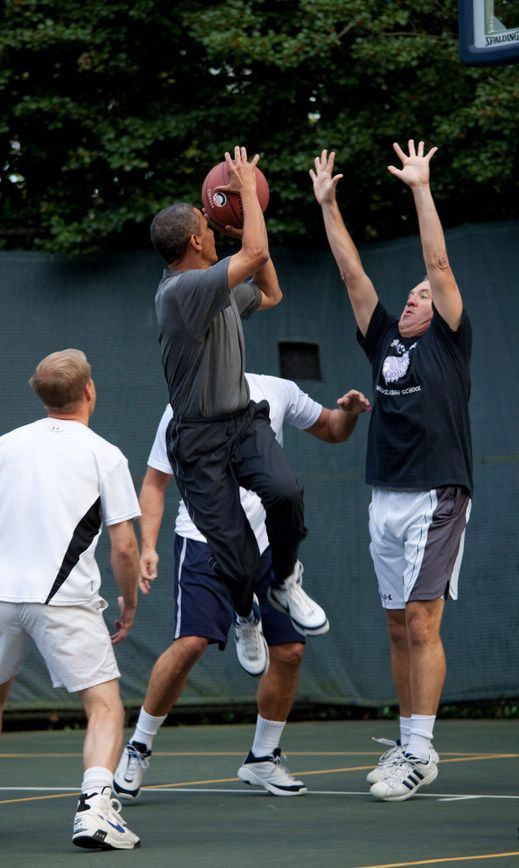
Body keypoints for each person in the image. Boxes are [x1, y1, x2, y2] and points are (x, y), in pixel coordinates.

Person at [112, 373, 370, 799]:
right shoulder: (183, 405)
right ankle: (139, 745)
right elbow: (156, 483)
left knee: (289, 651)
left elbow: (330, 429)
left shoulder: (278, 390)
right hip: (203, 541)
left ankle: (263, 759)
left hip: (266, 542)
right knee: (191, 643)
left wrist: (349, 413)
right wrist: (149, 547)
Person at [310, 141, 472, 801]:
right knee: (394, 623)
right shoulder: (385, 340)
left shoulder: (449, 341)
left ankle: (420, 751)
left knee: (420, 620)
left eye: (421, 294)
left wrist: (419, 187)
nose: (412, 297)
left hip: (437, 490)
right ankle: (408, 742)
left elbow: (435, 261)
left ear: (437, 306)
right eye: (408, 293)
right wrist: (327, 204)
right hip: (384, 494)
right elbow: (351, 273)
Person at [0, 349, 142, 849]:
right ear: (89, 391)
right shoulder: (104, 453)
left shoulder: (3, 445)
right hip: (64, 599)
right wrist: (129, 601)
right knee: (105, 706)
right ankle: (94, 811)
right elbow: (126, 544)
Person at [153, 145, 326, 677]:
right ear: (195, 241)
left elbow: (270, 291)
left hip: (241, 421)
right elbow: (250, 257)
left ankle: (285, 579)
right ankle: (246, 614)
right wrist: (248, 194)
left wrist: (249, 230)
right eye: (208, 219)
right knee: (232, 546)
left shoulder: (219, 288)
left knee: (285, 493)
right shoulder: (183, 291)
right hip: (199, 438)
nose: (213, 221)